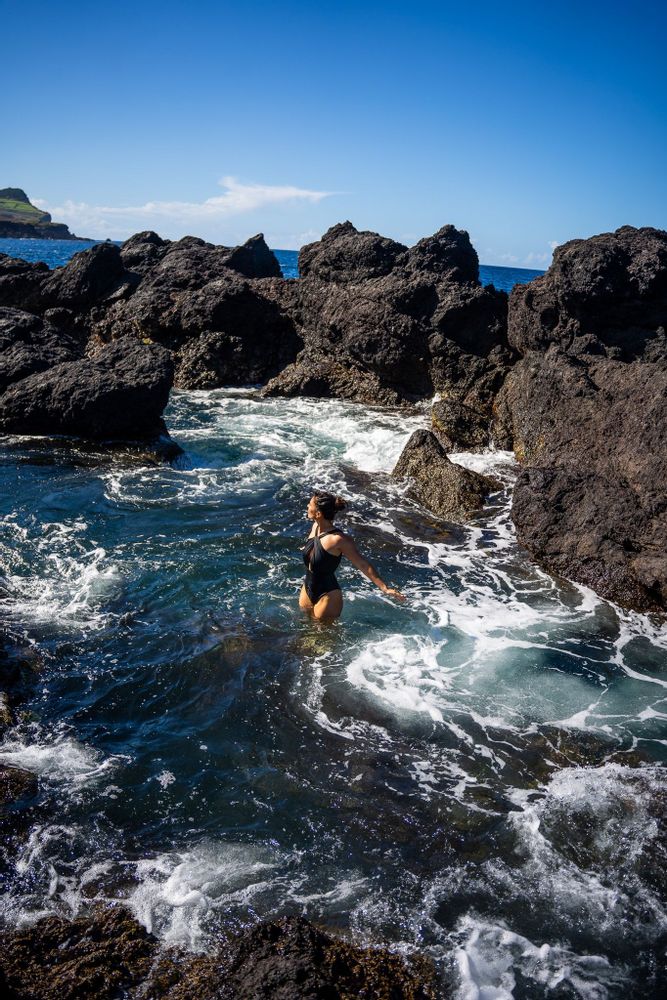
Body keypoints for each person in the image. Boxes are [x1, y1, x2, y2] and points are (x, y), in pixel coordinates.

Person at [299, 491, 406, 621]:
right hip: (308, 587)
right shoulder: (315, 526)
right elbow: (316, 550)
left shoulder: (338, 540)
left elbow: (362, 564)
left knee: (323, 637)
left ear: (318, 514)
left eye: (310, 505)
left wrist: (385, 588)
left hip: (328, 595)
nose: (307, 506)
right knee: (305, 626)